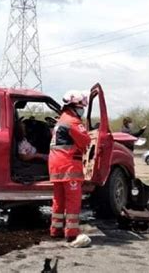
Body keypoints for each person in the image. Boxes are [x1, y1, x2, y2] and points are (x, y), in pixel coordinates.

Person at [48, 90, 91, 241]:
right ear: (74, 106)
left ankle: (56, 230)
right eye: (81, 106)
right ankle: (71, 233)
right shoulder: (73, 121)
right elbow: (86, 141)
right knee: (73, 201)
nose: (82, 109)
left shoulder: (61, 120)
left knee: (58, 200)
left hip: (56, 166)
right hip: (69, 167)